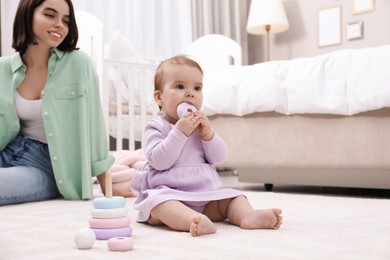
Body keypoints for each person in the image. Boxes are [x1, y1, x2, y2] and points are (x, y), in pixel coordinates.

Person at [131, 56, 283, 236]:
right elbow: (159, 161)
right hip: (169, 193)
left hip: (205, 196)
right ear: (159, 97)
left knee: (234, 196)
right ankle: (192, 220)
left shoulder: (200, 128)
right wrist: (179, 132)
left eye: (197, 88)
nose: (190, 93)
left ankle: (247, 216)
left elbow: (219, 158)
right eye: (180, 86)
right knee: (158, 204)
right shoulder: (156, 127)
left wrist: (208, 135)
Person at [0, 0, 132, 206]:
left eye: (66, 20)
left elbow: (95, 129)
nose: (60, 24)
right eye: (50, 15)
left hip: (48, 165)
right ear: (27, 14)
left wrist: (109, 197)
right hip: (8, 150)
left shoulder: (79, 64)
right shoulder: (4, 68)